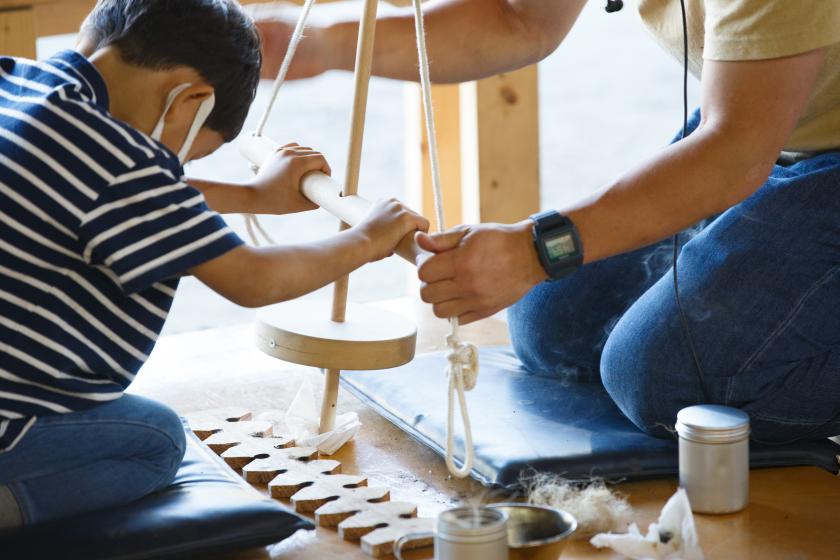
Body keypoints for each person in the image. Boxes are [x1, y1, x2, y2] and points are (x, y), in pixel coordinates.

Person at [250, 0, 840, 444]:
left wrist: (534, 249)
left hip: (759, 136)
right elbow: (518, 20)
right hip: (770, 121)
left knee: (659, 379)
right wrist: (322, 46)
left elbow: (733, 149)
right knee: (555, 325)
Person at [0, 0, 427, 529]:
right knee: (156, 439)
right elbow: (253, 279)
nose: (176, 169)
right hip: (10, 424)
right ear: (190, 100)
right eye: (190, 155)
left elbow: (125, 192)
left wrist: (253, 196)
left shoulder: (19, 85)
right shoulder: (123, 163)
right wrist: (367, 239)